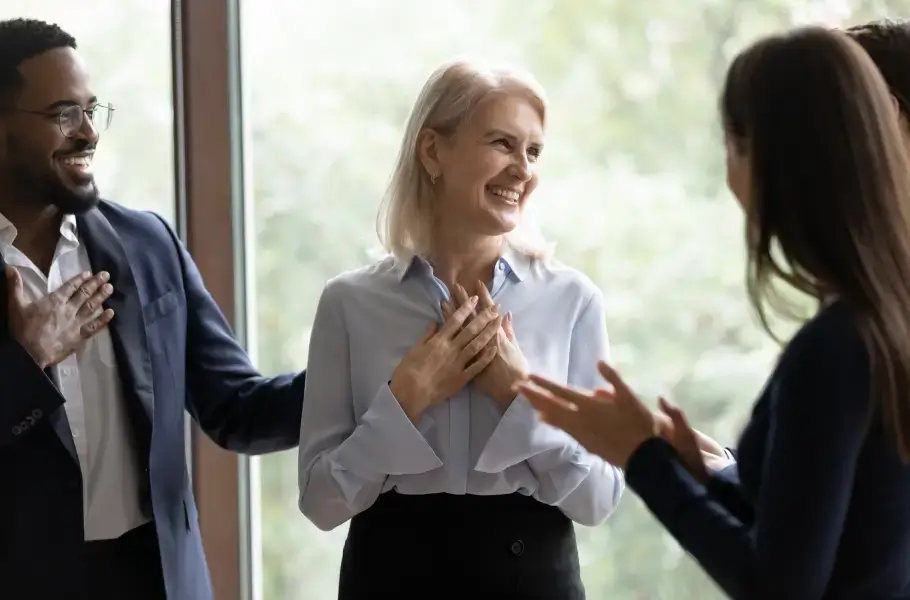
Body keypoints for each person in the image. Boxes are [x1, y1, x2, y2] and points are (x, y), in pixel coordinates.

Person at [518, 26, 910, 600]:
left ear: (783, 160)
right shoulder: (885, 320)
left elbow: (778, 585)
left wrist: (641, 457)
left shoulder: (834, 348)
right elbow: (830, 540)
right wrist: (692, 473)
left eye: (735, 146)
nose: (729, 172)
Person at [0, 18, 306, 600]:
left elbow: (237, 408)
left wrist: (373, 376)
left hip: (157, 581)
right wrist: (27, 359)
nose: (88, 132)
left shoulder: (148, 244)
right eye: (63, 113)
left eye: (92, 110)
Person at [297, 58, 624, 599]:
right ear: (433, 152)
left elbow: (600, 499)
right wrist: (405, 401)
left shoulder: (573, 302)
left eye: (534, 151)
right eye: (502, 143)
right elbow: (320, 502)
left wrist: (524, 397)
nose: (524, 168)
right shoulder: (348, 304)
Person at [676, 17, 910, 480]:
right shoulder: (869, 292)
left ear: (882, 111)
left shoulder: (852, 329)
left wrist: (648, 462)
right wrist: (725, 475)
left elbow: (796, 554)